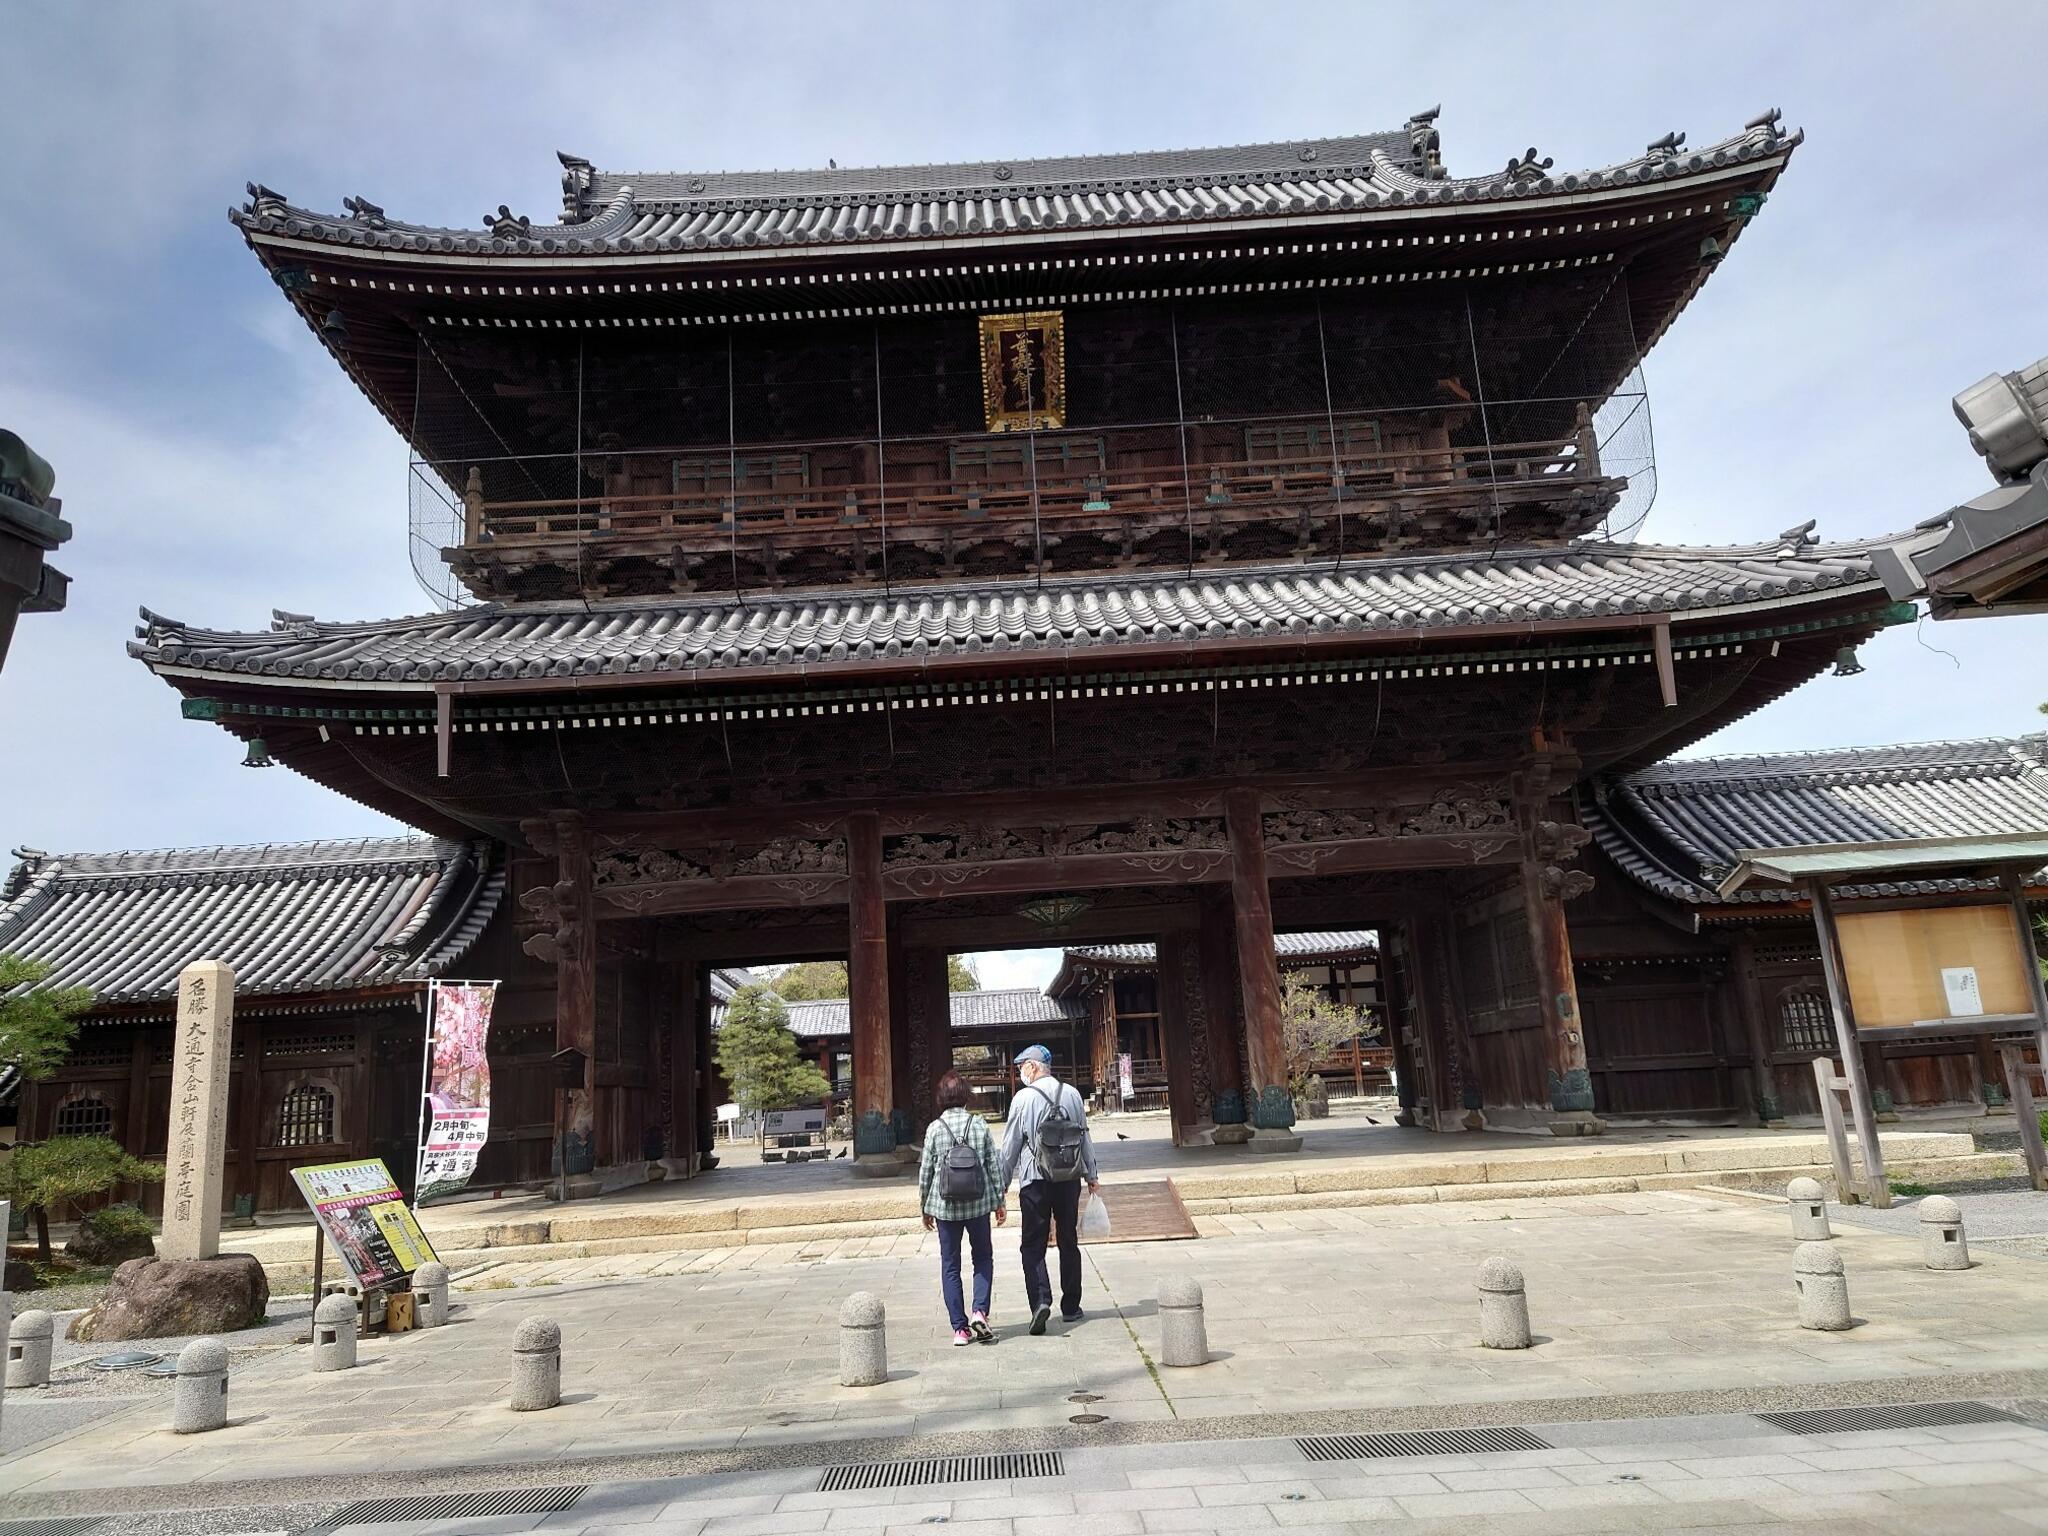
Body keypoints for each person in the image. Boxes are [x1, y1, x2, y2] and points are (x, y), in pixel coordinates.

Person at [997, 1044, 1101, 1335]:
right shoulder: (1072, 1094)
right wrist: (1092, 1174)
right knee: (1068, 1238)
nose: (1021, 1072)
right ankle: (1071, 1306)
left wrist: (1002, 1185)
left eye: (1022, 1067)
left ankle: (1041, 1300)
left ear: (1032, 1067)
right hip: (1068, 1177)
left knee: (1033, 1243)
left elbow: (1010, 1148)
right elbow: (1084, 1137)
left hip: (1034, 1179)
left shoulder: (1022, 1099)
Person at [917, 1068, 1006, 1346]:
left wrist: (925, 1207)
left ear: (941, 1098)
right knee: (982, 1257)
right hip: (978, 1204)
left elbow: (926, 1172)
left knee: (950, 1264)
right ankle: (980, 1311)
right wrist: (999, 1201)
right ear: (966, 1095)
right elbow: (992, 1164)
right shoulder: (978, 1125)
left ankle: (960, 1329)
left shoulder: (934, 1128)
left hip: (946, 1207)